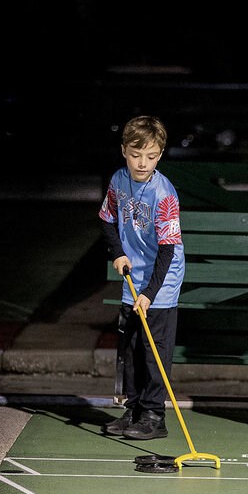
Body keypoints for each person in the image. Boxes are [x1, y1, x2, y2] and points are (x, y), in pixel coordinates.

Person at [98, 115, 185, 441]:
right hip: (132, 274)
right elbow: (106, 220)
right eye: (136, 155)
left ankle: (153, 415)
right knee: (132, 347)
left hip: (161, 280)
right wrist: (117, 253)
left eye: (150, 156)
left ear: (160, 154)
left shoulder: (164, 195)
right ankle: (133, 408)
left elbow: (167, 251)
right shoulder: (119, 181)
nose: (142, 163)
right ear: (124, 151)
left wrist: (149, 292)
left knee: (154, 350)